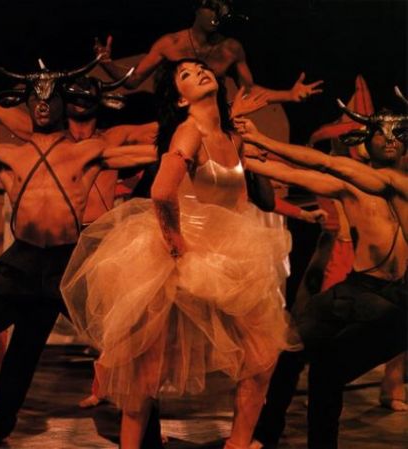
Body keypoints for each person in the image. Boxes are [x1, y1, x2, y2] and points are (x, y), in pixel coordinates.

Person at [61, 58, 300, 449]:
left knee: (262, 357)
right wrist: (176, 244)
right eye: (186, 74)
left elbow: (249, 200)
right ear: (181, 99)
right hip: (177, 254)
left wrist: (254, 156)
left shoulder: (232, 138)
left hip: (227, 254)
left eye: (201, 69)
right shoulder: (188, 132)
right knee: (147, 373)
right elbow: (160, 192)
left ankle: (238, 444)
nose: (200, 73)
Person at [0, 58, 157, 449]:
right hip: (22, 263)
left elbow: (150, 151)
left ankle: (147, 439)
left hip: (70, 263)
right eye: (36, 97)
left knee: (124, 345)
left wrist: (199, 135)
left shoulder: (90, 150)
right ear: (28, 103)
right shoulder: (10, 153)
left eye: (51, 97)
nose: (43, 103)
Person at [234, 107, 407, 449]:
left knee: (325, 367)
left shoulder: (396, 182)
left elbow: (329, 164)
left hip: (396, 300)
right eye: (380, 133)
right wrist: (242, 157)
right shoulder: (354, 186)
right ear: (365, 140)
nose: (389, 140)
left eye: (398, 134)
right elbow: (306, 172)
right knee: (295, 350)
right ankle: (267, 433)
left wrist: (261, 140)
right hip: (360, 289)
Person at [95, 0, 323, 104]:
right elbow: (133, 80)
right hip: (175, 120)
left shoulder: (231, 48)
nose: (217, 13)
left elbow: (249, 91)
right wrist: (107, 63)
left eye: (223, 6)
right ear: (197, 8)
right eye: (212, 6)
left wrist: (289, 95)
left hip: (214, 120)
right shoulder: (171, 43)